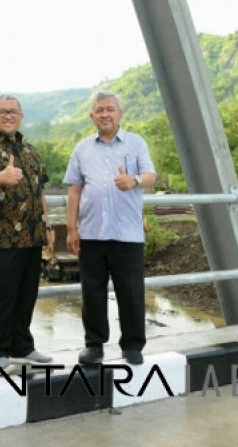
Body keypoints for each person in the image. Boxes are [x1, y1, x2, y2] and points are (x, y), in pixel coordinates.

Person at [64, 92, 157, 366]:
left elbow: (151, 176)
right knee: (92, 291)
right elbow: (74, 190)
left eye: (110, 109)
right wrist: (72, 229)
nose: (105, 114)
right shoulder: (82, 148)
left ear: (120, 113)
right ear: (91, 115)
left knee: (130, 291)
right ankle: (94, 345)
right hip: (91, 233)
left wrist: (134, 180)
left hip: (126, 232)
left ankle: (132, 345)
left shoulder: (135, 143)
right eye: (99, 110)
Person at [0, 94, 53, 370]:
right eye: (2, 111)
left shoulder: (30, 150)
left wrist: (47, 225)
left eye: (13, 111)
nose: (8, 115)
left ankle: (22, 348)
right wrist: (1, 177)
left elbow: (39, 191)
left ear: (21, 116)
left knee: (26, 296)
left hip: (31, 235)